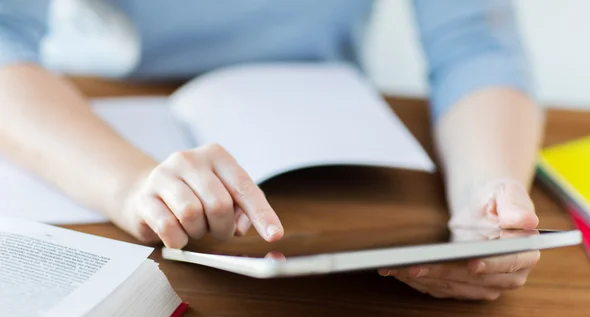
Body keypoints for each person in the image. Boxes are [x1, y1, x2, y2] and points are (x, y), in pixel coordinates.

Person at [0, 0, 543, 301]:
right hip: (84, 125)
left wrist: (486, 196)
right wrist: (129, 186)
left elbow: (476, 44)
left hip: (334, 133)